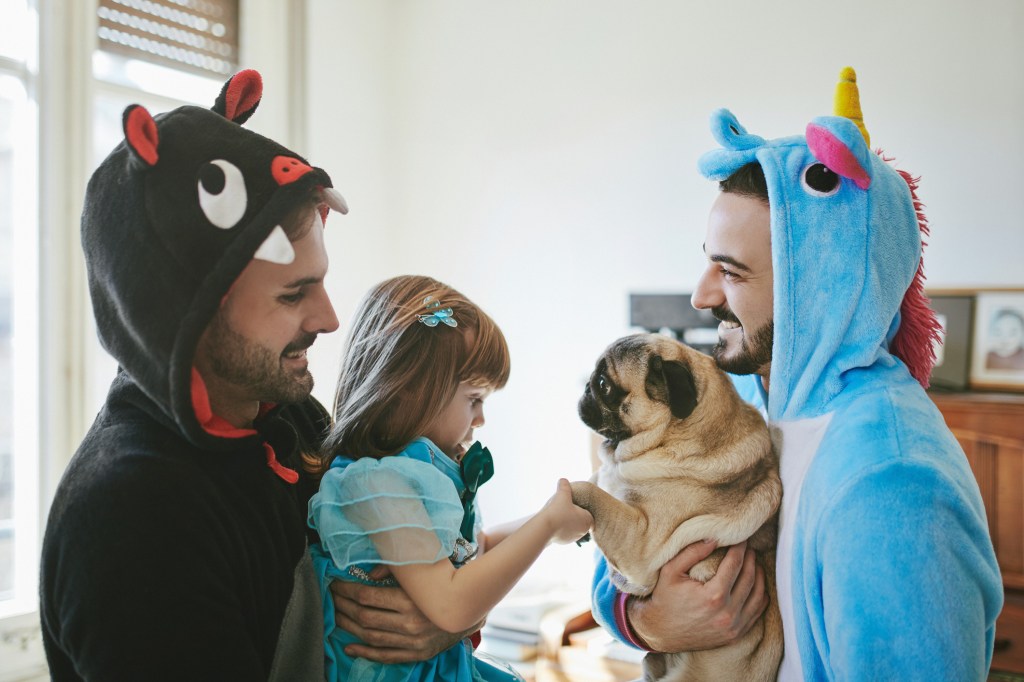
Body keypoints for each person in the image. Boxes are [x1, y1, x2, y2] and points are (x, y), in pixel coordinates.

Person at [39, 70, 462, 681]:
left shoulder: (290, 416)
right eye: (294, 295)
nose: (330, 318)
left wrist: (437, 618)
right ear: (189, 317)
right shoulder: (134, 520)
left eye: (320, 281)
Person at [591, 68, 1003, 679]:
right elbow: (618, 548)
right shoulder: (731, 394)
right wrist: (649, 620)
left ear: (818, 291)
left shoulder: (890, 483)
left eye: (730, 272)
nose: (701, 296)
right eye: (708, 262)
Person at [306, 274, 593, 681]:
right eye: (474, 399)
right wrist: (546, 526)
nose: (481, 418)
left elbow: (477, 548)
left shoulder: (425, 472)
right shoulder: (376, 484)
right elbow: (453, 603)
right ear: (410, 389)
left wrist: (553, 519)